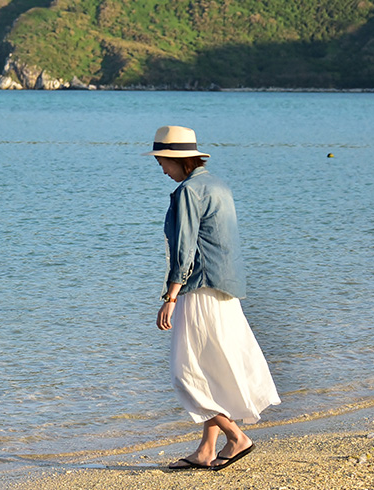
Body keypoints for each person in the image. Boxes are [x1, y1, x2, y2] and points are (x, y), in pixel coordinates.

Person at [144, 125, 280, 471]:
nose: (161, 169)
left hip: (199, 289)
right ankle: (206, 449)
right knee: (211, 368)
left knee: (185, 373)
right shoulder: (218, 185)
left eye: (163, 161)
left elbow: (185, 247)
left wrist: (170, 295)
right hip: (225, 289)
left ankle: (236, 437)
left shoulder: (188, 191)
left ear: (180, 161)